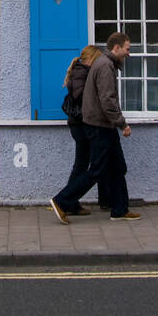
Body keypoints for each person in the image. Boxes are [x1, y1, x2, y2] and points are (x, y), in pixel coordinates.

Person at [50, 32, 139, 222]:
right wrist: (121, 122)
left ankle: (120, 209)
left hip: (102, 124)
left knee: (117, 167)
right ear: (117, 48)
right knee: (96, 170)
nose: (128, 54)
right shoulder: (105, 66)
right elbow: (108, 100)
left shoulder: (103, 64)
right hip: (100, 126)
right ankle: (61, 201)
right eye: (127, 49)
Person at [61, 45, 109, 215]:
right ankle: (66, 201)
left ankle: (70, 201)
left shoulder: (81, 71)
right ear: (91, 59)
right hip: (81, 124)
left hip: (80, 123)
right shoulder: (82, 72)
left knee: (86, 163)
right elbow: (80, 95)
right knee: (83, 164)